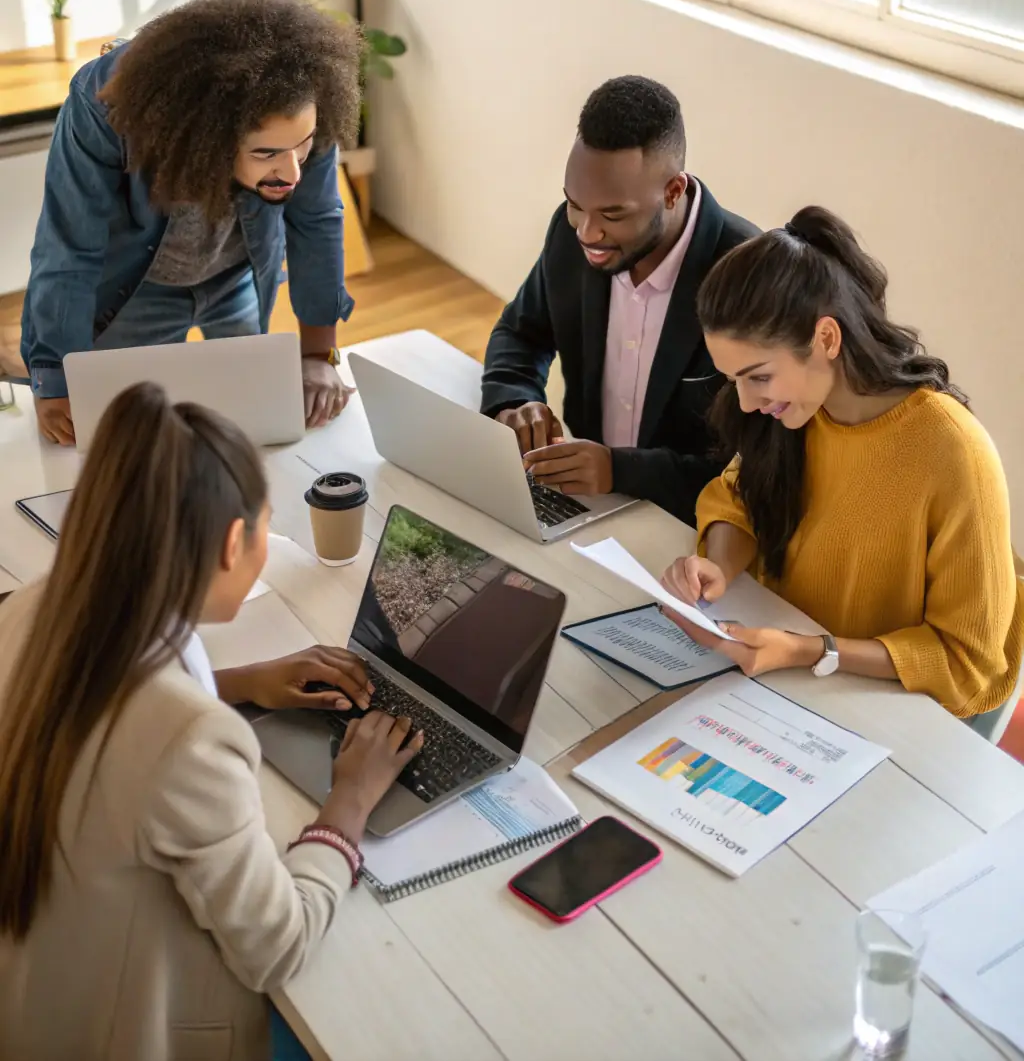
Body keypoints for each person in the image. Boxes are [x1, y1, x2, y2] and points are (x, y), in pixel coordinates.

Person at [0, 383, 423, 1060]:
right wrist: (350, 798)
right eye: (266, 524)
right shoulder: (191, 740)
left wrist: (238, 682)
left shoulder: (30, 607)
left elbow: (102, 713)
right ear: (234, 543)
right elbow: (277, 945)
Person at [660, 206, 1023, 734]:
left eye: (758, 376)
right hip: (778, 687)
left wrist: (811, 651)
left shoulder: (951, 452)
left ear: (826, 338)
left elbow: (967, 661)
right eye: (734, 379)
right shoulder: (797, 413)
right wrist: (719, 566)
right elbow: (738, 498)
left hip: (877, 716)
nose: (744, 401)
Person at [20, 0, 361, 447]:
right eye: (266, 153)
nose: (293, 170)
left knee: (255, 426)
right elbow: (69, 247)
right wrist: (54, 380)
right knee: (118, 434)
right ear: (211, 137)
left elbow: (316, 221)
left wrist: (319, 354)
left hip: (237, 274)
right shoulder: (102, 108)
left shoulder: (300, 93)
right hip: (135, 286)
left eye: (304, 145)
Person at [480, 75, 757, 525]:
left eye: (613, 214)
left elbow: (753, 465)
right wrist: (513, 402)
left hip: (690, 529)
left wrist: (620, 470)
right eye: (574, 204)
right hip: (585, 507)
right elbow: (521, 331)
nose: (587, 232)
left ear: (673, 192)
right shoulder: (572, 234)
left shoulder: (748, 273)